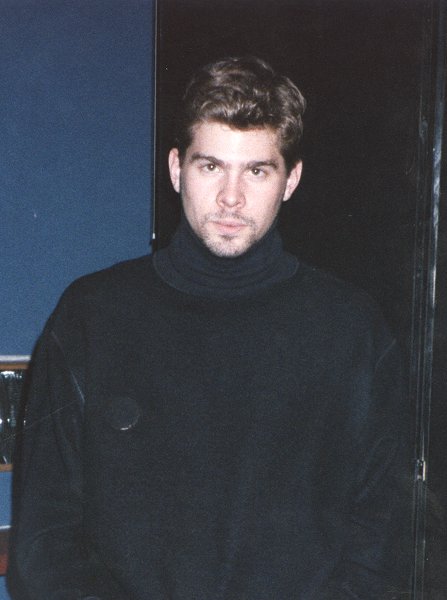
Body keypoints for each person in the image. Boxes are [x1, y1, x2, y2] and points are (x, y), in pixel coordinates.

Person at [11, 56, 411, 599]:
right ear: (177, 169)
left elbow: (379, 546)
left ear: (290, 180)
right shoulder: (92, 317)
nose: (231, 197)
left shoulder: (352, 330)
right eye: (211, 167)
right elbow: (44, 542)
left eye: (257, 171)